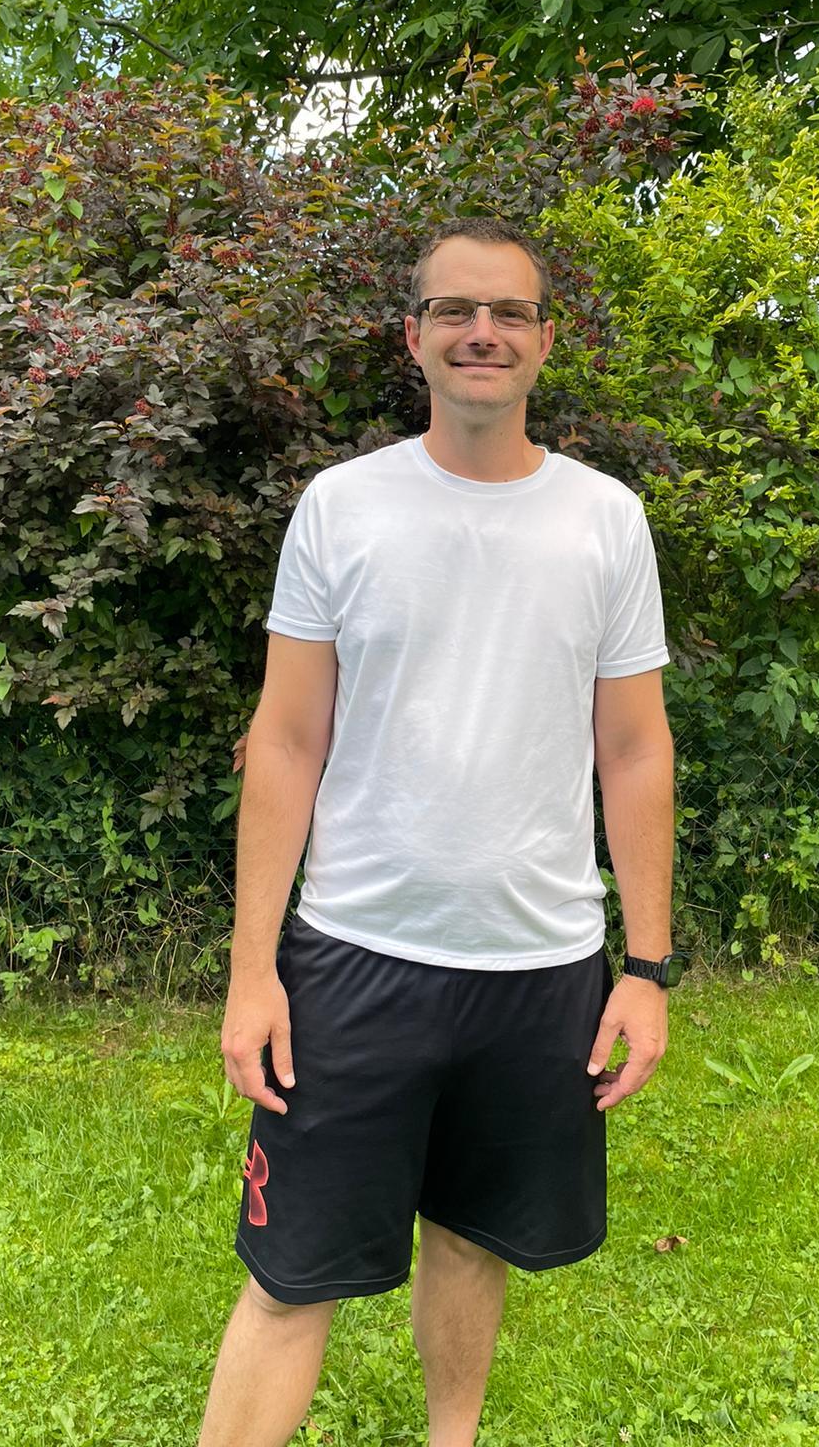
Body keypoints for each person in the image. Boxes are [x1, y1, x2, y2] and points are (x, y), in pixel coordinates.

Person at [198, 218, 679, 1447]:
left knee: (471, 1241)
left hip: (539, 967)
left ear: (544, 340)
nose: (483, 331)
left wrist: (645, 967)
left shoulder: (605, 520)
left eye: (509, 311)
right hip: (355, 958)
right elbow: (285, 742)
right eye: (456, 309)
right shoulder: (342, 507)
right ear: (412, 337)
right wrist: (253, 970)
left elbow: (634, 750)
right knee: (290, 1278)